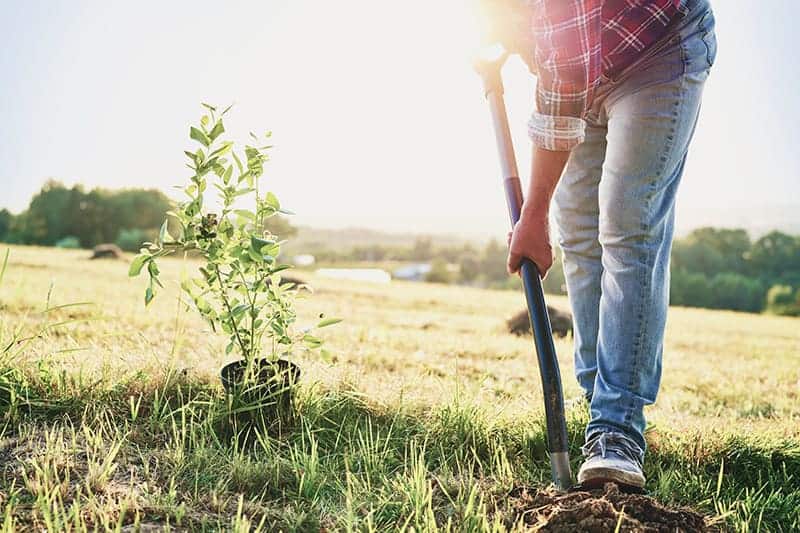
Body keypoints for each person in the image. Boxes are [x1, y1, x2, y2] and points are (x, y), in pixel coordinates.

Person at [484, 0, 717, 488]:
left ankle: (618, 429)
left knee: (627, 226)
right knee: (579, 235)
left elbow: (563, 78)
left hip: (659, 48)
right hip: (589, 62)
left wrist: (532, 214)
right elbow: (558, 67)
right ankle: (599, 412)